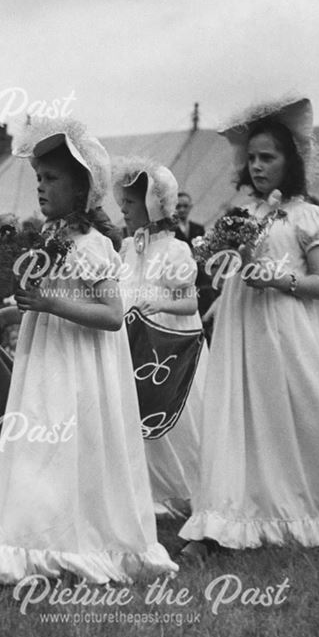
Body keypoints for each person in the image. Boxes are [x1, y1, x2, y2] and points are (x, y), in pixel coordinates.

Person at [178, 98, 319, 560]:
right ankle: (229, 512)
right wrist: (231, 264)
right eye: (253, 158)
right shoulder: (245, 214)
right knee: (245, 413)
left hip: (288, 326)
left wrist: (280, 279)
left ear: (291, 162)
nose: (257, 166)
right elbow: (233, 268)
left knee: (303, 410)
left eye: (269, 158)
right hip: (246, 326)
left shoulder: (307, 217)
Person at [0, 119, 176, 585]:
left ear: (82, 189)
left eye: (52, 178)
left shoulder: (92, 246)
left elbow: (112, 314)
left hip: (79, 367)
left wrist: (51, 302)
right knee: (38, 447)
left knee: (71, 448)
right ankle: (32, 539)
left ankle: (80, 540)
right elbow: (44, 301)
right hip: (44, 362)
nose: (41, 186)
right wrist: (6, 315)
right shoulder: (46, 241)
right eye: (38, 178)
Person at [114, 157, 207, 518]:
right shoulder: (126, 248)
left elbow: (190, 302)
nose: (123, 209)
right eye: (122, 202)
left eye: (131, 203)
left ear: (153, 204)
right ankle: (151, 491)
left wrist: (158, 302)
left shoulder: (174, 250)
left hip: (171, 346)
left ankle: (197, 490)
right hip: (136, 344)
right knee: (140, 419)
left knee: (178, 421)